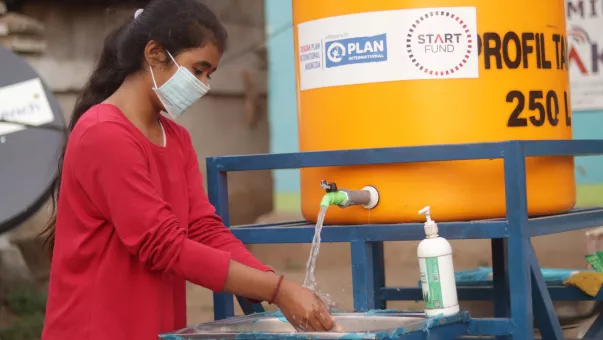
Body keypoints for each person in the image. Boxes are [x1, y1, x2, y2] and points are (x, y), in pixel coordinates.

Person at [39, 1, 335, 339]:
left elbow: (204, 229)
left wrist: (275, 284)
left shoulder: (176, 138)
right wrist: (278, 289)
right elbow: (162, 245)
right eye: (197, 70)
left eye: (210, 75)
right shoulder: (104, 133)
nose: (203, 85)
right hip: (96, 328)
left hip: (156, 327)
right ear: (154, 54)